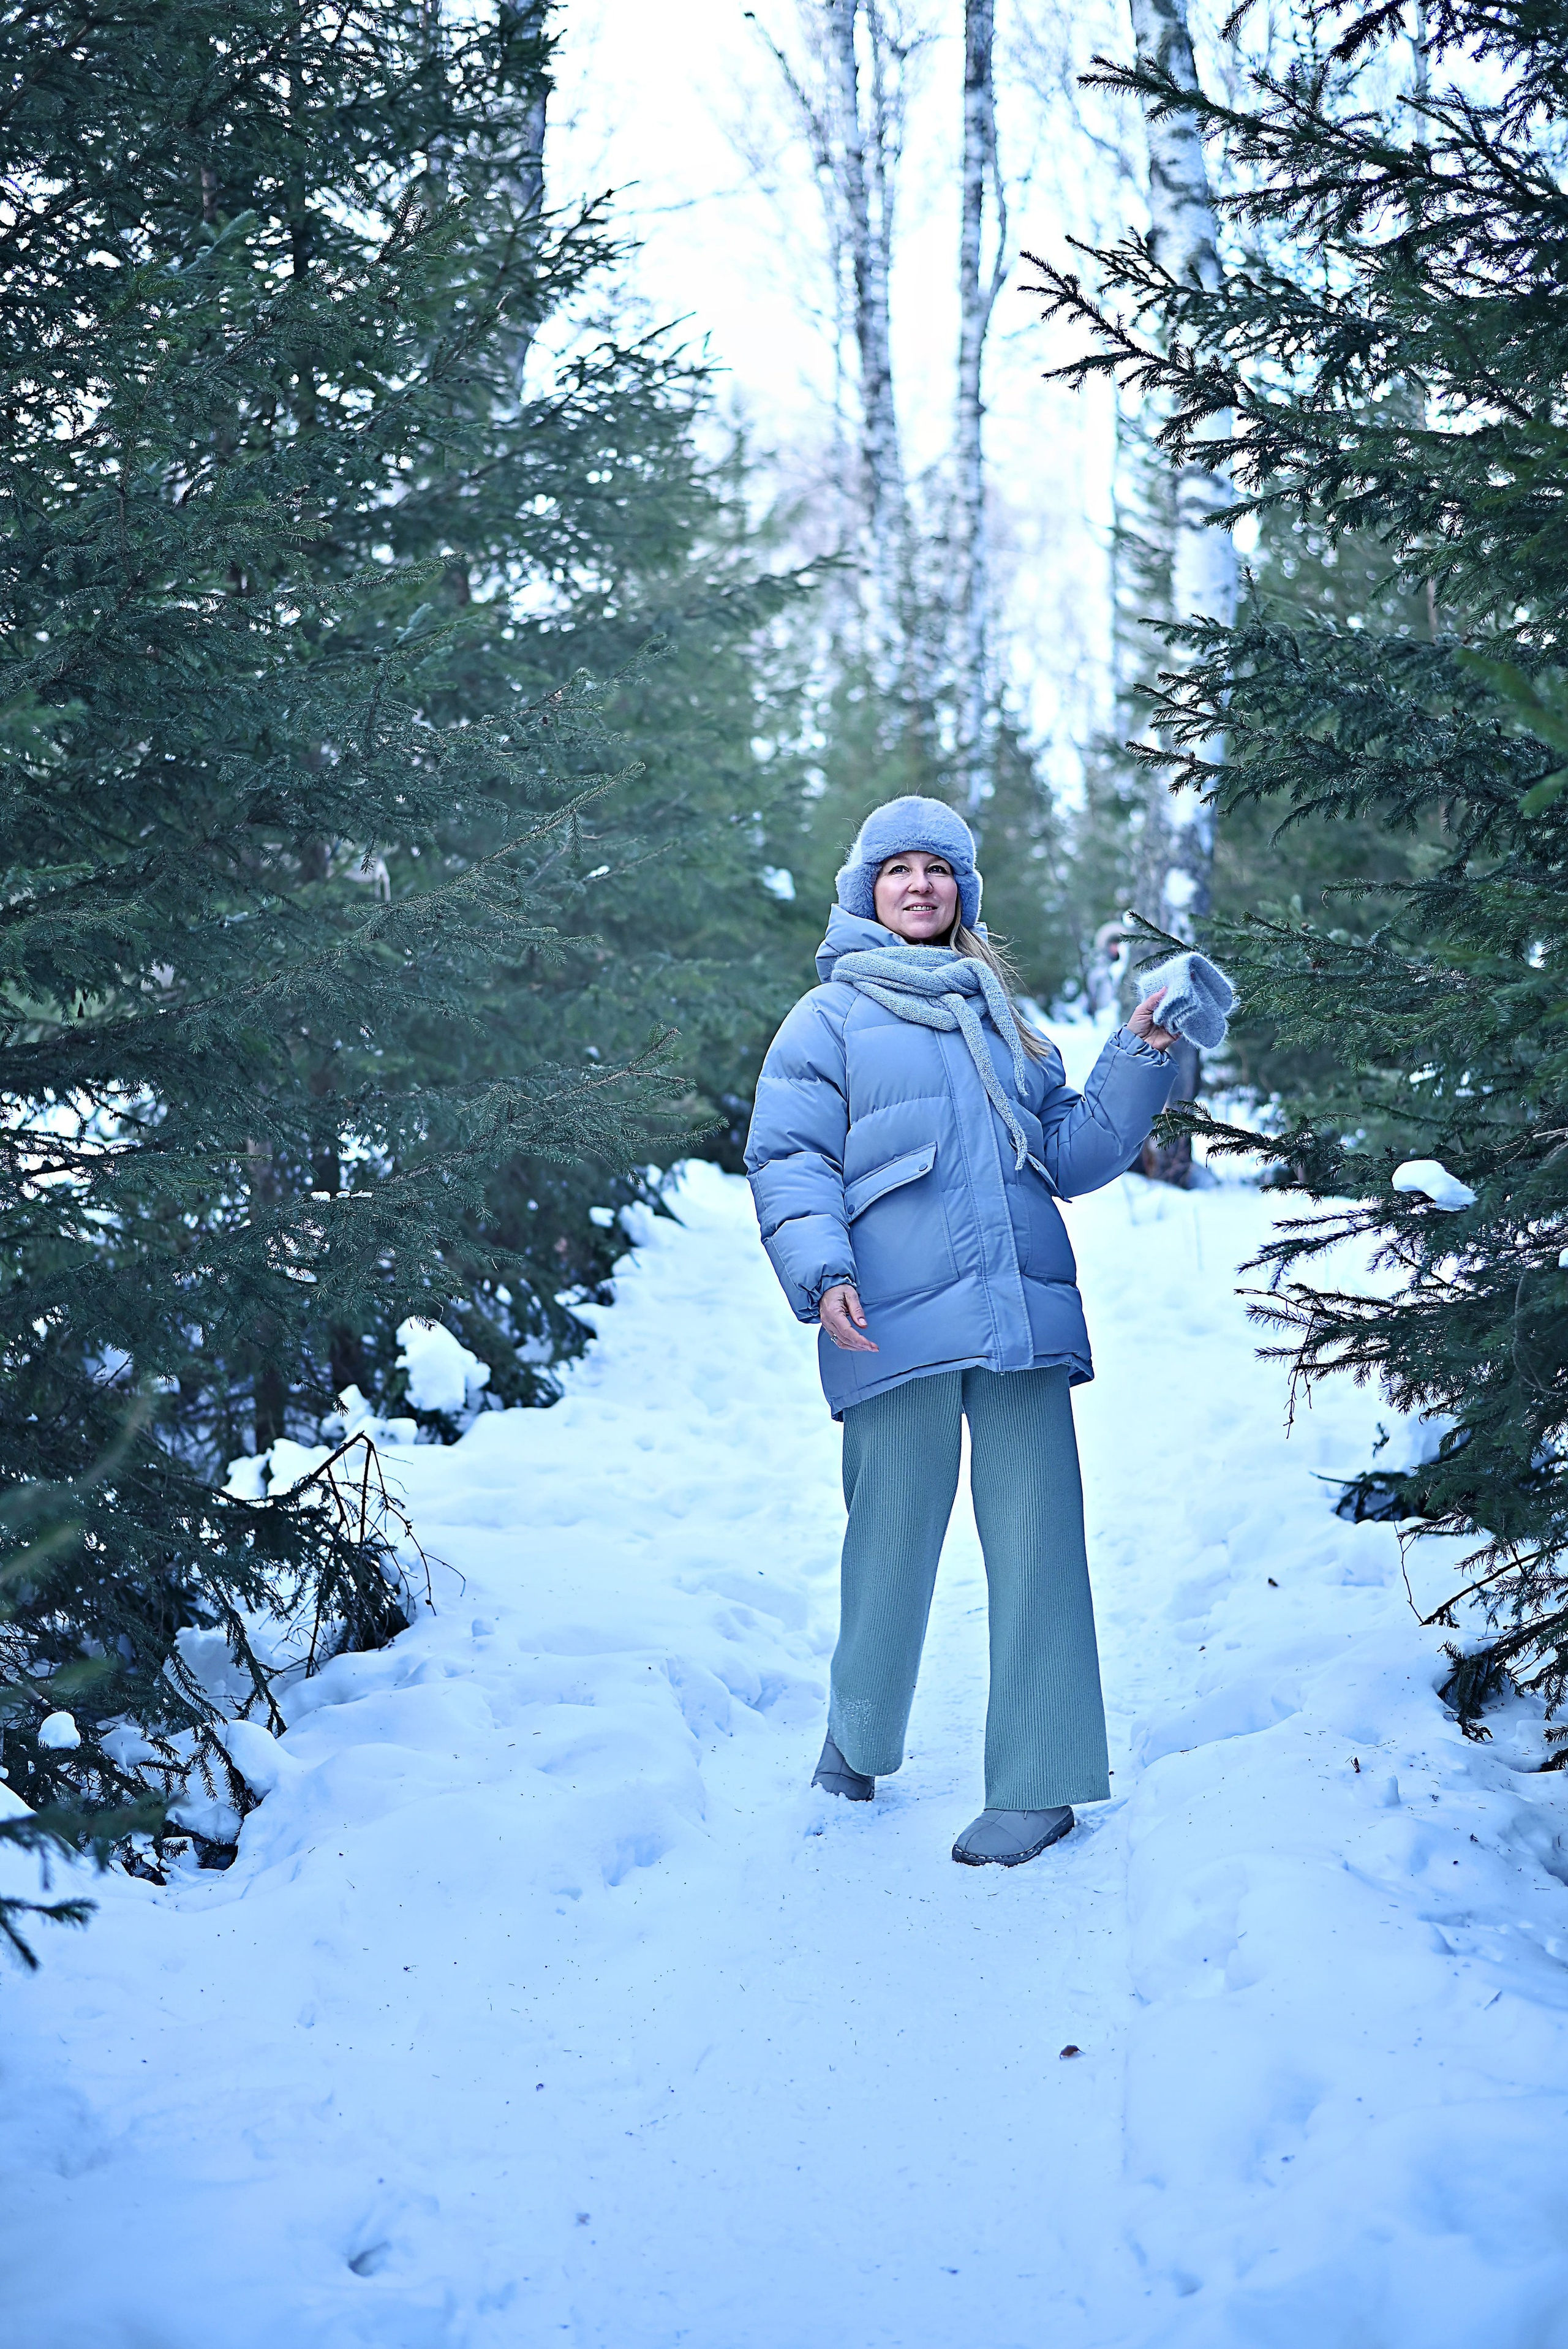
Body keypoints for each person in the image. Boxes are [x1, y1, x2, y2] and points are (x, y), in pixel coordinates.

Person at [744, 796, 1179, 1867]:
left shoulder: (1007, 1020)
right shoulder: (829, 1019)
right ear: (865, 891)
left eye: (939, 869)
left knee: (1040, 1545)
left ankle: (1040, 1783)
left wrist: (1134, 1055)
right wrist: (820, 1268)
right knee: (886, 1534)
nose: (920, 885)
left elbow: (1071, 1155)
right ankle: (857, 1741)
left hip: (1020, 1313)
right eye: (897, 869)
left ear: (964, 892)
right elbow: (789, 1159)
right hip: (887, 1319)